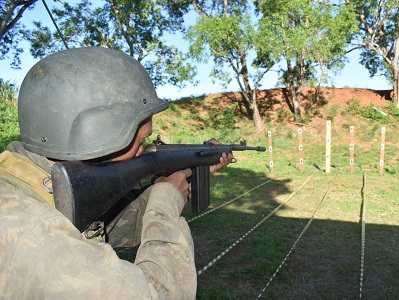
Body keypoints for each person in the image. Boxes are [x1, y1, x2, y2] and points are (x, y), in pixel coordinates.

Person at [0, 47, 232, 299]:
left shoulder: (29, 183)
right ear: (100, 137)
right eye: (142, 142)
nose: (144, 151)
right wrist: (166, 201)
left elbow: (115, 225)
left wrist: (168, 185)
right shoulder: (36, 237)